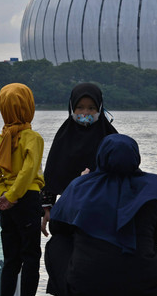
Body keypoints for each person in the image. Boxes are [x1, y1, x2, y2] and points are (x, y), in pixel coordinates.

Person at [46, 134, 157, 296]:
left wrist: (81, 191)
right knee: (151, 243)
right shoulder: (149, 195)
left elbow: (57, 227)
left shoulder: (81, 189)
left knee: (57, 244)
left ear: (101, 157)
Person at [0, 83, 50, 296]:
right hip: (27, 198)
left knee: (11, 256)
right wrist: (14, 196)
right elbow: (29, 170)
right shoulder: (32, 138)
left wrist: (4, 194)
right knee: (31, 254)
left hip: (7, 204)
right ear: (29, 107)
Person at [41, 82, 118, 236]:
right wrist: (47, 209)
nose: (85, 112)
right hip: (69, 210)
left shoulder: (110, 137)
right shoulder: (64, 137)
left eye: (91, 108)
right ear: (71, 107)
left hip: (103, 210)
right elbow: (52, 174)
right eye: (80, 107)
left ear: (100, 108)